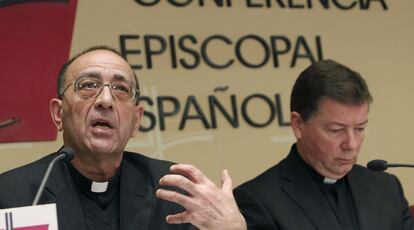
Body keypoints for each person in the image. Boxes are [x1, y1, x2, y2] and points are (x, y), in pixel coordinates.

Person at [0, 46, 244, 230]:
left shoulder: (174, 192)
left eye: (120, 89)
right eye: (88, 85)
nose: (105, 100)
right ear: (58, 114)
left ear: (136, 121)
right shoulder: (13, 195)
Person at [234, 60, 414, 230]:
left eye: (360, 128)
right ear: (298, 124)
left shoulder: (386, 188)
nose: (351, 144)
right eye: (336, 130)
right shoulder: (258, 201)